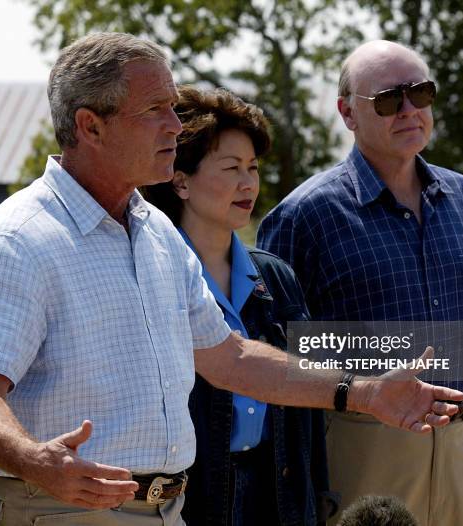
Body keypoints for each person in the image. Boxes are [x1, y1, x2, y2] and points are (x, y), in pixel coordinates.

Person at [0, 33, 463, 526]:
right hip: (58, 509)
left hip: (166, 510)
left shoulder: (155, 235)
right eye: (155, 110)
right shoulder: (18, 240)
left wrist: (366, 393)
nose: (175, 125)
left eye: (173, 107)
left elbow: (230, 358)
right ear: (91, 126)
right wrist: (36, 461)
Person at [258, 40, 463, 526]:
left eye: (420, 93)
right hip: (362, 443)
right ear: (347, 113)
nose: (409, 110)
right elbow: (272, 353)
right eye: (388, 100)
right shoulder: (305, 216)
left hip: (462, 439)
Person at [144, 85, 336, 525]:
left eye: (252, 167)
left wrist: (319, 498)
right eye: (231, 168)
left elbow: (306, 411)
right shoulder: (156, 275)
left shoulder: (277, 278)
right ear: (180, 180)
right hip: (191, 499)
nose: (248, 183)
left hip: (280, 493)